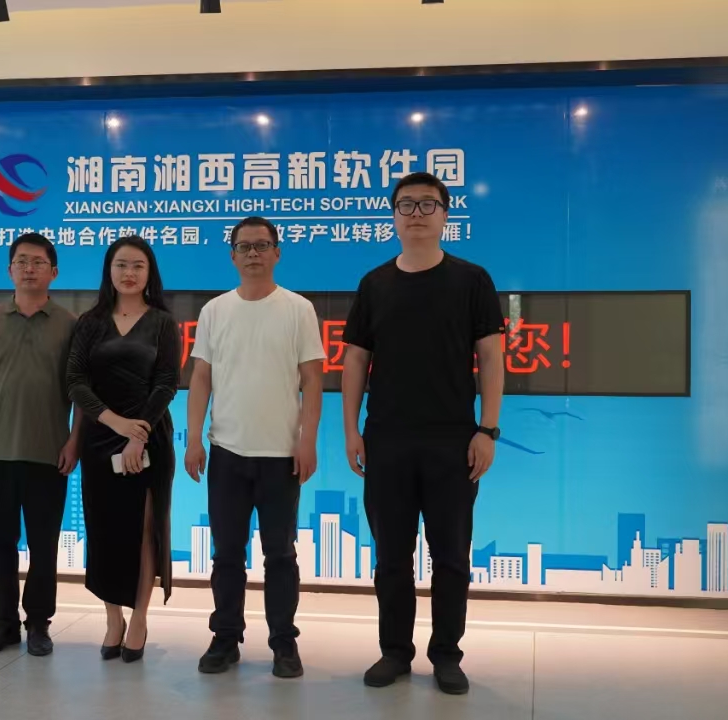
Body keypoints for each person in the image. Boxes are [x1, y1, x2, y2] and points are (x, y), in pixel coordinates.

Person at [342, 172, 506, 695]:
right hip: (386, 439)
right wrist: (351, 430)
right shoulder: (374, 284)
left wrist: (488, 429)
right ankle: (395, 651)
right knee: (392, 557)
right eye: (406, 205)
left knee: (451, 556)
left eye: (427, 204)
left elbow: (491, 358)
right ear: (393, 216)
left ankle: (446, 655)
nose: (416, 213)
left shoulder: (472, 280)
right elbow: (355, 361)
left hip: (453, 440)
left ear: (445, 215)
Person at [184, 216, 325, 679]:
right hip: (227, 451)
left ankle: (284, 642)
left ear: (277, 252)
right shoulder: (215, 310)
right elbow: (201, 377)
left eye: (262, 245)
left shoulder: (298, 309)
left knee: (280, 555)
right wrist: (193, 437)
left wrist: (307, 440)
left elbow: (312, 379)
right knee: (227, 554)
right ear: (232, 256)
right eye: (244, 247)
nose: (253, 254)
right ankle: (225, 638)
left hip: (281, 454)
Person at [0, 232, 82, 658]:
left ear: (54, 272)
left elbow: (81, 391)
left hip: (49, 454)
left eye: (38, 262)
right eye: (22, 261)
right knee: (0, 547)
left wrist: (75, 440)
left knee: (44, 547)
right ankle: (5, 625)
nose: (29, 269)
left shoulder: (70, 326)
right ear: (10, 269)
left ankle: (39, 624)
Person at [65, 236, 180, 663]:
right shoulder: (90, 322)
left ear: (150, 273)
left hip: (150, 438)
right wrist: (114, 423)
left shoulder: (163, 323)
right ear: (108, 271)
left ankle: (139, 620)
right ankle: (112, 618)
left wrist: (138, 433)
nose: (129, 273)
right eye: (121, 265)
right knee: (105, 531)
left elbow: (166, 383)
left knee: (144, 531)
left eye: (138, 266)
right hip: (100, 441)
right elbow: (75, 381)